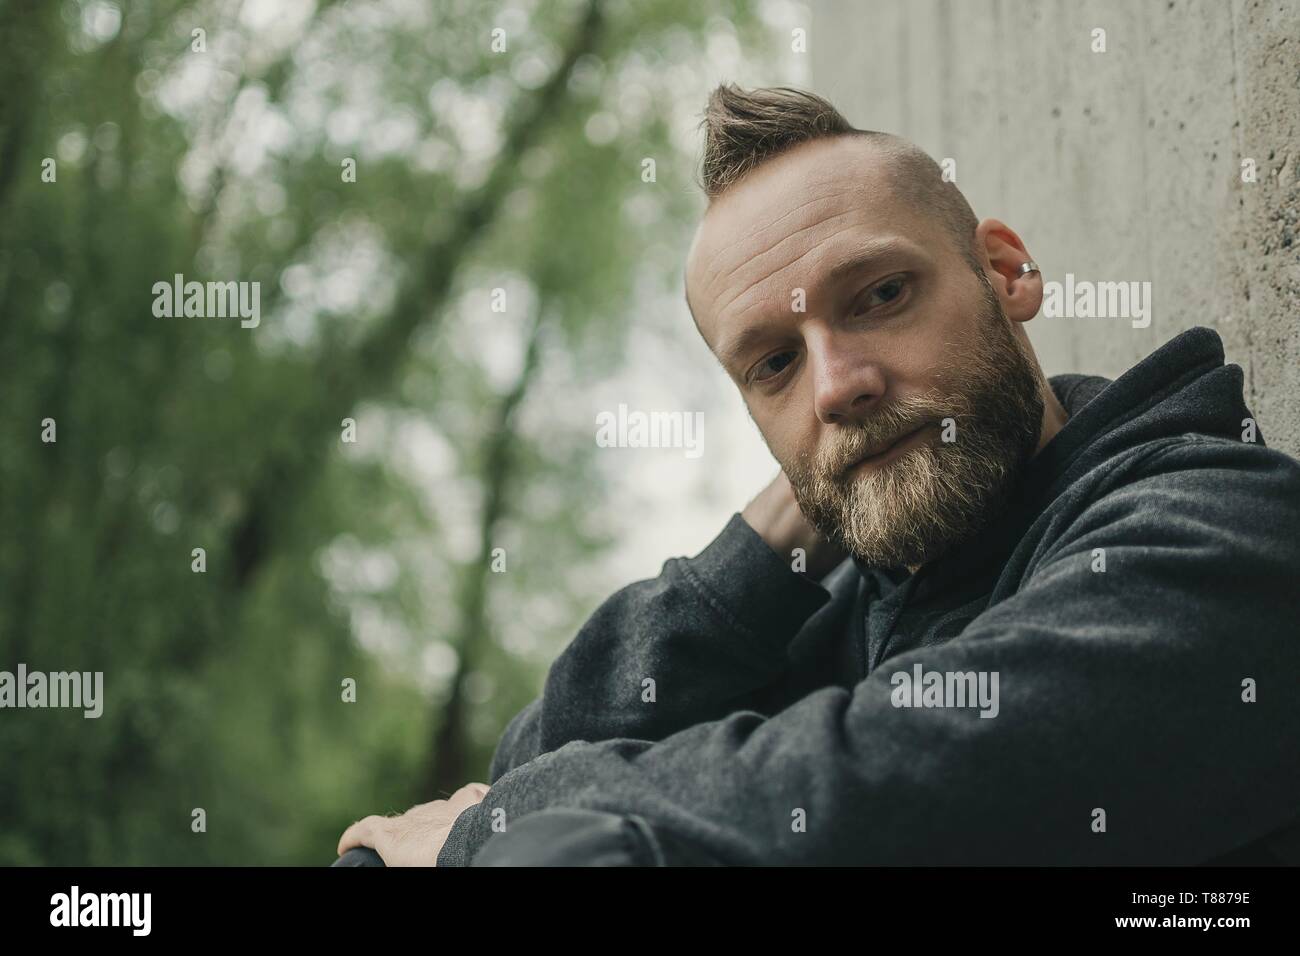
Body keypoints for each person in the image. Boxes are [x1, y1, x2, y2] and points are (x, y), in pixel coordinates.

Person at [336, 84, 1300, 867]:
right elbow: (528, 763)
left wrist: (486, 838)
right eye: (774, 364)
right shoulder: (842, 608)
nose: (838, 385)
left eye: (880, 295)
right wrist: (763, 548)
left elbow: (895, 790)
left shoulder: (1221, 526)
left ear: (1006, 273)